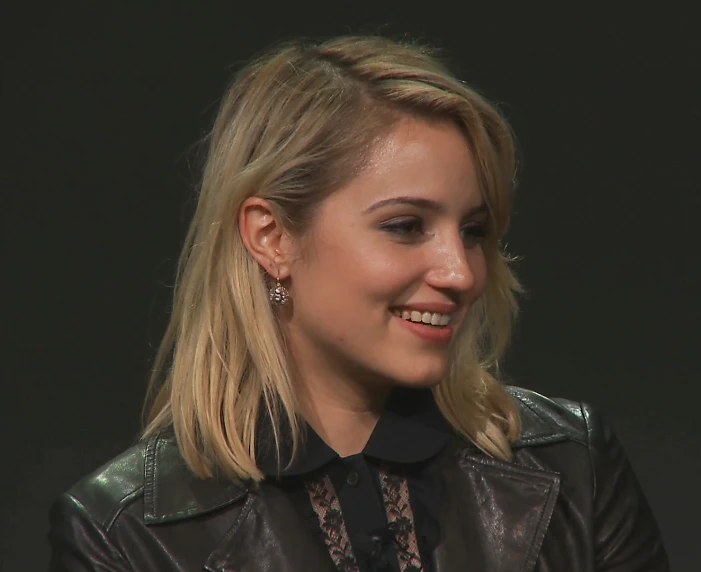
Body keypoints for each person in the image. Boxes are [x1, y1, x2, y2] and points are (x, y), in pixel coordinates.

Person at [48, 35, 669, 571]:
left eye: (473, 231)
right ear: (272, 237)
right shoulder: (124, 534)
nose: (460, 272)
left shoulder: (575, 468)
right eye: (404, 225)